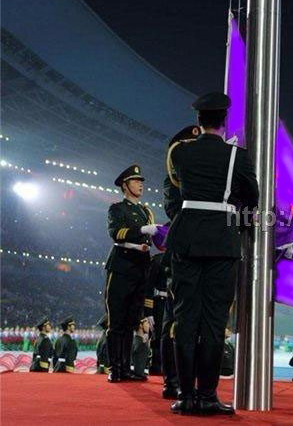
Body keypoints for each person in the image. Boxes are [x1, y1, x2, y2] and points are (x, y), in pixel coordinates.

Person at [166, 92, 258, 416]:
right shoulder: (238, 157)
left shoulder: (180, 153)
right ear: (224, 121)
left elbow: (176, 187)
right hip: (221, 240)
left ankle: (185, 396)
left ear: (198, 121)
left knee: (185, 318)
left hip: (187, 238)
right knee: (214, 321)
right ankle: (207, 396)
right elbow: (252, 198)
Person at [105, 164, 159, 383]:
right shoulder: (117, 209)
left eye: (141, 181)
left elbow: (151, 239)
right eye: (136, 181)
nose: (140, 185)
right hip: (121, 267)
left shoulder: (146, 211)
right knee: (117, 322)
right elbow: (116, 233)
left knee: (131, 322)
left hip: (140, 268)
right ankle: (115, 368)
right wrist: (142, 230)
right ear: (125, 186)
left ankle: (126, 368)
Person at [158, 125, 200, 399]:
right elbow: (174, 211)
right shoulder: (173, 181)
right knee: (174, 320)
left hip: (204, 252)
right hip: (183, 254)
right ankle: (172, 382)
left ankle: (191, 380)